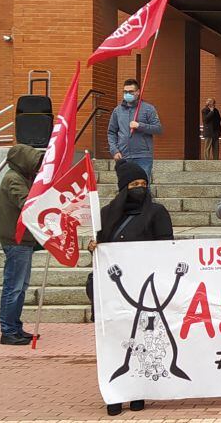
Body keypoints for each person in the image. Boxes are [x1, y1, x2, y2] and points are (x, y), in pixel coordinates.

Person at [87, 159, 174, 417]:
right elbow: (99, 248)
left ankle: (137, 393)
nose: (139, 188)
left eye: (143, 184)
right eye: (134, 184)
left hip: (144, 294)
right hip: (113, 292)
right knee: (113, 344)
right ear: (123, 187)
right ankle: (115, 394)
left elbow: (167, 247)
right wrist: (93, 247)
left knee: (143, 345)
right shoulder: (105, 214)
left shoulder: (157, 212)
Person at [0, 144, 43, 346]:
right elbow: (26, 204)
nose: (37, 167)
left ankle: (15, 327)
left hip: (22, 241)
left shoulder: (21, 178)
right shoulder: (14, 179)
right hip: (16, 242)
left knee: (19, 287)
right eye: (35, 162)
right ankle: (8, 330)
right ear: (24, 161)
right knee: (14, 287)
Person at [107, 78, 163, 180]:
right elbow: (111, 132)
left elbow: (158, 129)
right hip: (123, 156)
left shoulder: (148, 109)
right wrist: (114, 150)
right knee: (125, 187)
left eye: (131, 92)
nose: (127, 94)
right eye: (125, 92)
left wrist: (139, 126)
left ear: (137, 92)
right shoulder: (117, 110)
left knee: (143, 187)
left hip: (143, 156)